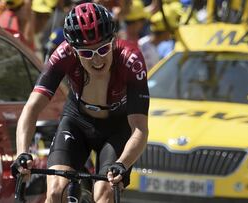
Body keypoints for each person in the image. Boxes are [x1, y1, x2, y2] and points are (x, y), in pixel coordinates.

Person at [11, 2, 149, 203]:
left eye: (102, 50)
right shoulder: (62, 54)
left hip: (116, 130)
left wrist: (122, 164)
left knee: (104, 195)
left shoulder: (131, 59)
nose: (96, 60)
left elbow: (140, 129)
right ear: (74, 50)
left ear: (113, 41)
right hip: (77, 121)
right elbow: (31, 108)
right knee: (56, 192)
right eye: (86, 53)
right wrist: (22, 152)